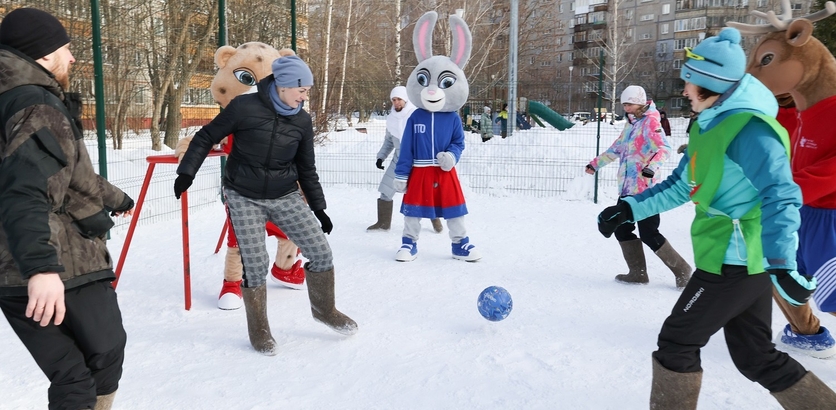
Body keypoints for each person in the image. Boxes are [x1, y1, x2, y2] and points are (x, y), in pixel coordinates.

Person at [597, 28, 836, 408]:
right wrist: (628, 209)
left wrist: (781, 262)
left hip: (738, 261)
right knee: (756, 356)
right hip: (729, 256)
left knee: (676, 343)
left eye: (690, 84)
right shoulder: (710, 123)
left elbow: (782, 194)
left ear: (711, 86)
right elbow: (680, 185)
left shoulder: (749, 132)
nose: (685, 90)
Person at [175, 54, 357, 355]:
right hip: (242, 194)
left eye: (307, 90)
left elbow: (306, 168)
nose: (305, 95)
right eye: (302, 88)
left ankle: (324, 310)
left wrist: (318, 207)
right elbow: (207, 136)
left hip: (285, 194)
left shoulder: (301, 120)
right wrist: (187, 172)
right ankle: (259, 329)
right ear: (285, 85)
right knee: (255, 264)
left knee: (321, 252)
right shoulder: (245, 107)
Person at [0, 8, 135, 410]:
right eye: (65, 48)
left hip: (16, 264)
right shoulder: (37, 106)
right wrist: (42, 269)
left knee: (78, 375)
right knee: (94, 367)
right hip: (56, 263)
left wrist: (116, 199)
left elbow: (68, 175)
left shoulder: (16, 101)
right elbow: (27, 191)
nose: (72, 58)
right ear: (42, 54)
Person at [394, 11, 481, 263]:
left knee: (455, 210)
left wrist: (452, 156)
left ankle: (460, 244)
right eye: (425, 80)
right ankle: (409, 243)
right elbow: (407, 148)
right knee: (413, 211)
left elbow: (459, 142)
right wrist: (401, 174)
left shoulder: (452, 117)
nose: (432, 89)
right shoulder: (415, 117)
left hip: (445, 172)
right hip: (420, 171)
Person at [586, 85, 691, 289]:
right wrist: (595, 164)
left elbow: (664, 148)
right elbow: (616, 148)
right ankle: (637, 273)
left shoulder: (651, 122)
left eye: (630, 104)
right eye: (624, 104)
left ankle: (682, 270)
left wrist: (651, 167)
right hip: (627, 190)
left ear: (640, 103)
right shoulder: (631, 124)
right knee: (622, 230)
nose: (626, 108)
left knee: (649, 233)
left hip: (645, 192)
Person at [367, 86, 443, 233]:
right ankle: (383, 223)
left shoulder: (417, 116)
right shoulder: (391, 119)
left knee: (426, 193)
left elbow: (429, 139)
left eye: (399, 99)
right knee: (385, 191)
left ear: (406, 100)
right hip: (399, 161)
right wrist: (381, 157)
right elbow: (389, 141)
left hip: (418, 162)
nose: (396, 103)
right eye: (393, 100)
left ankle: (436, 221)